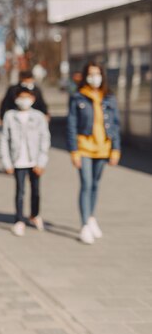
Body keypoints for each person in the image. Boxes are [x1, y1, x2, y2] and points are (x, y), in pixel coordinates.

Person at [67, 62, 120, 245]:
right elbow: (72, 125)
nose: (94, 77)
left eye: (97, 74)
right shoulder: (78, 97)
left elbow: (115, 124)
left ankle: (91, 217)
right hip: (84, 147)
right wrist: (73, 150)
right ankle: (84, 225)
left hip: (103, 147)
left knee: (95, 184)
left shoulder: (109, 97)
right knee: (86, 183)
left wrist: (116, 149)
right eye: (90, 74)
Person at [0, 88, 50, 236]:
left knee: (36, 191)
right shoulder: (10, 116)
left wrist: (42, 162)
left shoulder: (39, 117)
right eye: (21, 97)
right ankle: (19, 219)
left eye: (27, 97)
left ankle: (35, 214)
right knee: (20, 191)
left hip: (34, 160)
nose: (24, 100)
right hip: (18, 161)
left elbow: (45, 139)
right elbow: (3, 140)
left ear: (33, 99)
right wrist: (6, 162)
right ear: (15, 99)